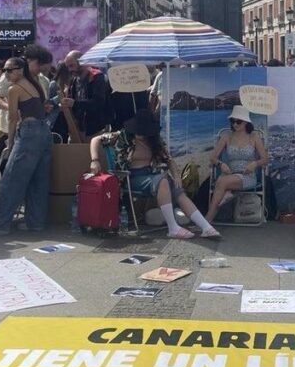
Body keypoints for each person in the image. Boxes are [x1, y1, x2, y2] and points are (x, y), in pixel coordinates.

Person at [90, 110, 220, 239]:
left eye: (142, 132)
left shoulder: (154, 140)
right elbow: (96, 140)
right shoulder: (122, 136)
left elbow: (169, 160)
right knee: (162, 180)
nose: (139, 134)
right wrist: (95, 160)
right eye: (137, 131)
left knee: (178, 191)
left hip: (153, 174)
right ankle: (173, 228)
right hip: (131, 177)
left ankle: (205, 227)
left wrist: (176, 176)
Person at [0, 58, 53, 236]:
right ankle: (35, 222)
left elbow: (12, 118)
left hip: (29, 132)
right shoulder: (35, 84)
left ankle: (0, 224)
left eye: (9, 70)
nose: (5, 73)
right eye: (4, 70)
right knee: (39, 180)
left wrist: (11, 141)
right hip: (43, 131)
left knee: (11, 179)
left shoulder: (15, 88)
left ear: (20, 70)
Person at [205, 105, 269, 223]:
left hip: (247, 175)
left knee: (221, 181)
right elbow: (213, 157)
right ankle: (208, 221)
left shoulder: (254, 137)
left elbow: (265, 159)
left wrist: (255, 164)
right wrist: (220, 164)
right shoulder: (226, 136)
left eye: (238, 121)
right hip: (230, 174)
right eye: (232, 121)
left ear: (245, 122)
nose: (235, 124)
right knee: (222, 181)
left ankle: (207, 221)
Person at [61, 49, 109, 138]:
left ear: (82, 62)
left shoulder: (97, 77)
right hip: (78, 128)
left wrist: (74, 103)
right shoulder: (74, 80)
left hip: (95, 128)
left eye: (72, 65)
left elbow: (98, 102)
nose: (70, 70)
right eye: (68, 67)